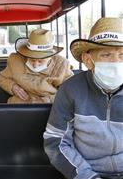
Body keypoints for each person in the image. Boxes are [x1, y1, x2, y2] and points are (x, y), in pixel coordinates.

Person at [43, 17, 123, 179]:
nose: (116, 62)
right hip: (85, 171)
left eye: (122, 54)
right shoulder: (70, 89)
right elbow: (55, 140)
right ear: (88, 60)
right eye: (106, 54)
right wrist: (87, 176)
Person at [0, 29, 73, 104]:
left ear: (51, 56)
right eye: (32, 59)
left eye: (40, 61)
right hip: (18, 106)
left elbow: (70, 91)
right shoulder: (15, 60)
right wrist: (12, 86)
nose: (35, 65)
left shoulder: (62, 65)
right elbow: (3, 78)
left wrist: (48, 100)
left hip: (49, 108)